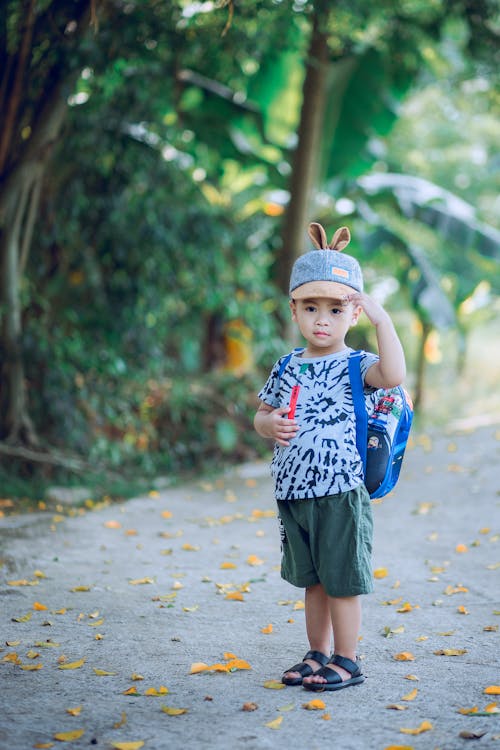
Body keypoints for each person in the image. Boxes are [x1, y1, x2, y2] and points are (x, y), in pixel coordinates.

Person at [253, 222, 406, 691]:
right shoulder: (287, 364)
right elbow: (262, 413)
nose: (322, 319)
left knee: (342, 580)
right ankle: (316, 653)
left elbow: (395, 374)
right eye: (311, 307)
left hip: (340, 490)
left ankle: (348, 658)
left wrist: (384, 321)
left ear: (352, 313)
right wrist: (268, 425)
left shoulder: (358, 364)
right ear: (294, 309)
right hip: (293, 489)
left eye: (335, 308)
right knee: (313, 581)